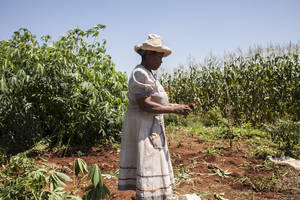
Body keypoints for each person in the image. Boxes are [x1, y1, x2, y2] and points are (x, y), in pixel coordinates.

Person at [118, 34, 192, 200]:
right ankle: (148, 196)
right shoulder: (140, 73)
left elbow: (156, 101)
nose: (161, 61)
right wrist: (173, 110)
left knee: (152, 160)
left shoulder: (148, 73)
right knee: (148, 161)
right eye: (159, 56)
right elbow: (145, 104)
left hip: (150, 124)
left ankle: (155, 195)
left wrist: (176, 106)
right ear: (149, 55)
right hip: (143, 127)